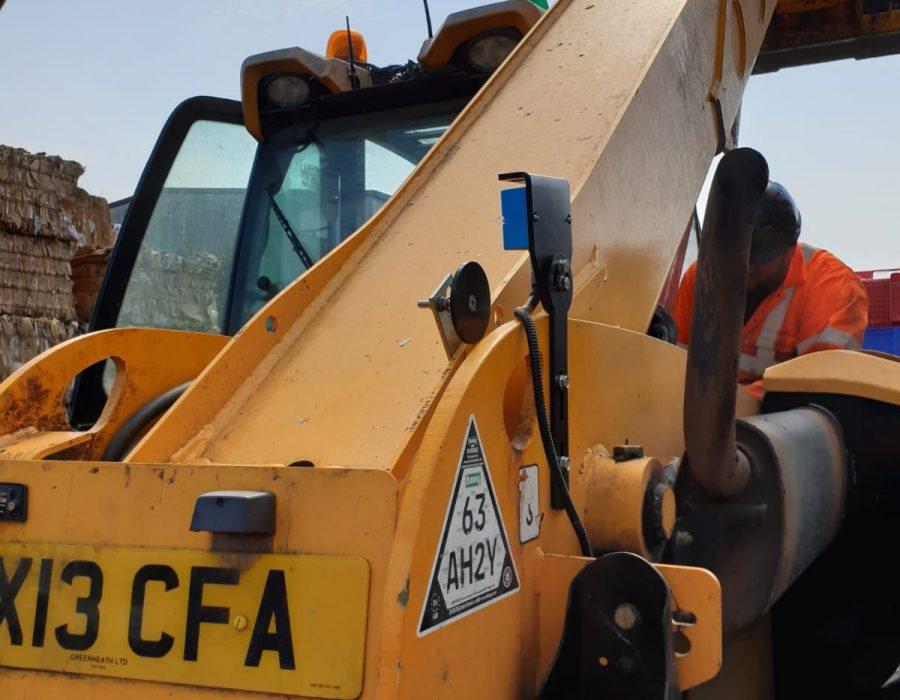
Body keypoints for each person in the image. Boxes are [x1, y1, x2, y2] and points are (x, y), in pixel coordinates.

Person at [674, 181, 868, 400]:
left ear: (789, 247)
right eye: (735, 259)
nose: (744, 270)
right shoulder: (703, 276)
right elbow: (677, 362)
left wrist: (735, 403)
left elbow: (821, 386)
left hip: (787, 425)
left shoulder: (832, 287)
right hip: (705, 417)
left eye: (756, 260)